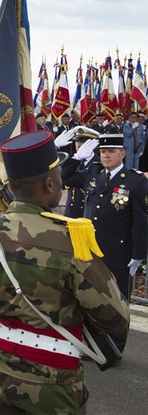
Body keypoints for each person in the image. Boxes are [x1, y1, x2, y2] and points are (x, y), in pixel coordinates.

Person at [0, 130, 130, 414]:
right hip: (54, 380)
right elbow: (116, 318)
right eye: (58, 176)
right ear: (49, 183)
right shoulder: (70, 240)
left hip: (1, 371)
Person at [82, 133, 148, 353]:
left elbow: (141, 220)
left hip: (120, 253)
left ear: (123, 153)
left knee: (117, 301)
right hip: (94, 251)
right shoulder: (98, 177)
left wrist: (138, 254)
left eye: (111, 151)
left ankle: (114, 347)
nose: (106, 155)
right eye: (102, 151)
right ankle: (93, 345)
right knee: (93, 298)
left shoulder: (135, 181)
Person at [57, 127, 101, 218]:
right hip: (71, 214)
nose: (78, 144)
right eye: (77, 141)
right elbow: (60, 179)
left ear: (92, 144)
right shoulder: (73, 162)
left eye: (83, 141)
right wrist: (54, 148)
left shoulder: (99, 165)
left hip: (88, 215)